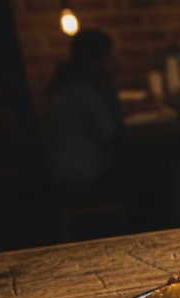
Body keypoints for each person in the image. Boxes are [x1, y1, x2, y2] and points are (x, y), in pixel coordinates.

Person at [45, 29, 122, 191]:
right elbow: (110, 133)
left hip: (62, 172)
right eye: (109, 58)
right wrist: (111, 92)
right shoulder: (81, 90)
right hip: (82, 176)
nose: (114, 63)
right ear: (95, 62)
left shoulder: (66, 84)